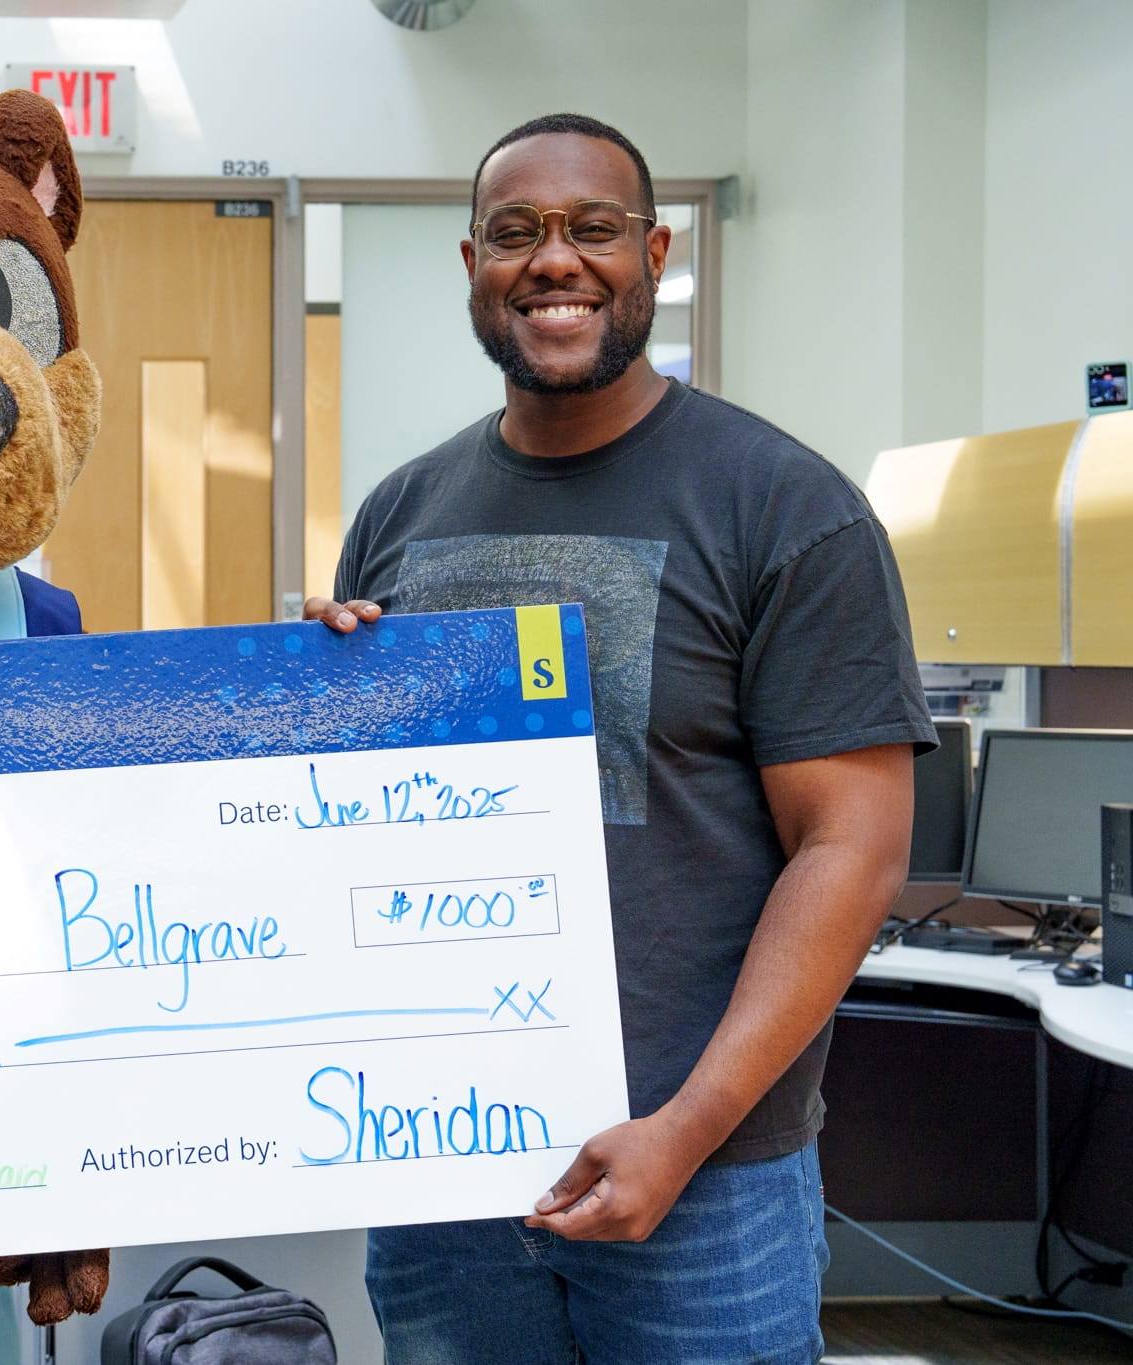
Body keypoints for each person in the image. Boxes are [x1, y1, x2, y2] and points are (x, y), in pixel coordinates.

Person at [306, 113, 935, 1363]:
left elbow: (849, 853)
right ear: (472, 262)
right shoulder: (400, 511)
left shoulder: (783, 508)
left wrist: (687, 1126)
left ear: (649, 252)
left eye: (592, 231)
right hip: (445, 1165)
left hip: (704, 1179)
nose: (554, 261)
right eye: (515, 233)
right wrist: (324, 697)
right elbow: (365, 831)